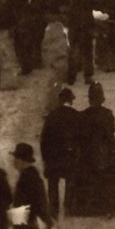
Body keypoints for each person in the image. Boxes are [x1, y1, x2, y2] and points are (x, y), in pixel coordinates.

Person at [68, 82, 115, 217]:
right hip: (106, 149)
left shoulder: (83, 115)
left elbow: (79, 134)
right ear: (102, 98)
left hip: (88, 150)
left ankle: (89, 205)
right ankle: (111, 205)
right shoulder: (107, 114)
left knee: (89, 175)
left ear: (89, 98)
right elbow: (111, 131)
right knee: (109, 176)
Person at [39, 87, 81, 217]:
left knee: (53, 182)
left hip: (53, 156)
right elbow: (81, 137)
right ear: (71, 101)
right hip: (69, 155)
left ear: (60, 100)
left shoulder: (51, 116)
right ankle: (68, 207)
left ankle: (53, 208)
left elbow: (44, 138)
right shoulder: (76, 115)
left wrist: (45, 157)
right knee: (70, 181)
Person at [10, 142, 54, 229]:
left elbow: (27, 206)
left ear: (21, 160)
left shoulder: (27, 179)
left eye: (15, 158)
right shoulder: (31, 177)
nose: (13, 161)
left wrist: (47, 220)